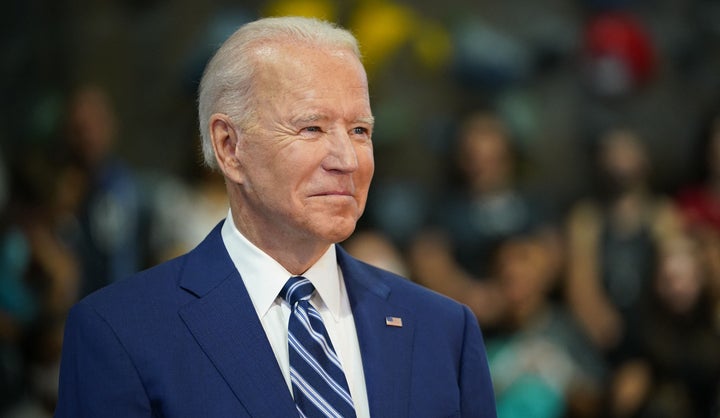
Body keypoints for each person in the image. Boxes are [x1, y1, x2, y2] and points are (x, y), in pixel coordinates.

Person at [54, 16, 496, 418]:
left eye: (360, 130)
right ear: (230, 147)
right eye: (312, 128)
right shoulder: (120, 333)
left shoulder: (443, 331)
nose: (347, 159)